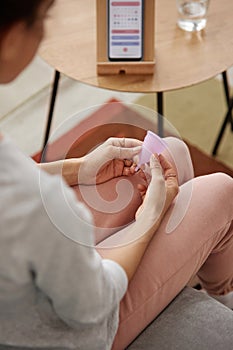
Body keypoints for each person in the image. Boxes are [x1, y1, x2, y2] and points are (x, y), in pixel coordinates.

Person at [0, 1, 232, 349]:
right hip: (78, 331)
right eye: (42, 20)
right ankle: (223, 294)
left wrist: (79, 168)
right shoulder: (33, 207)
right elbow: (93, 305)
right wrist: (148, 218)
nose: (44, 32)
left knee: (171, 153)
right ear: (11, 38)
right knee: (222, 190)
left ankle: (191, 268)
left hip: (28, 285)